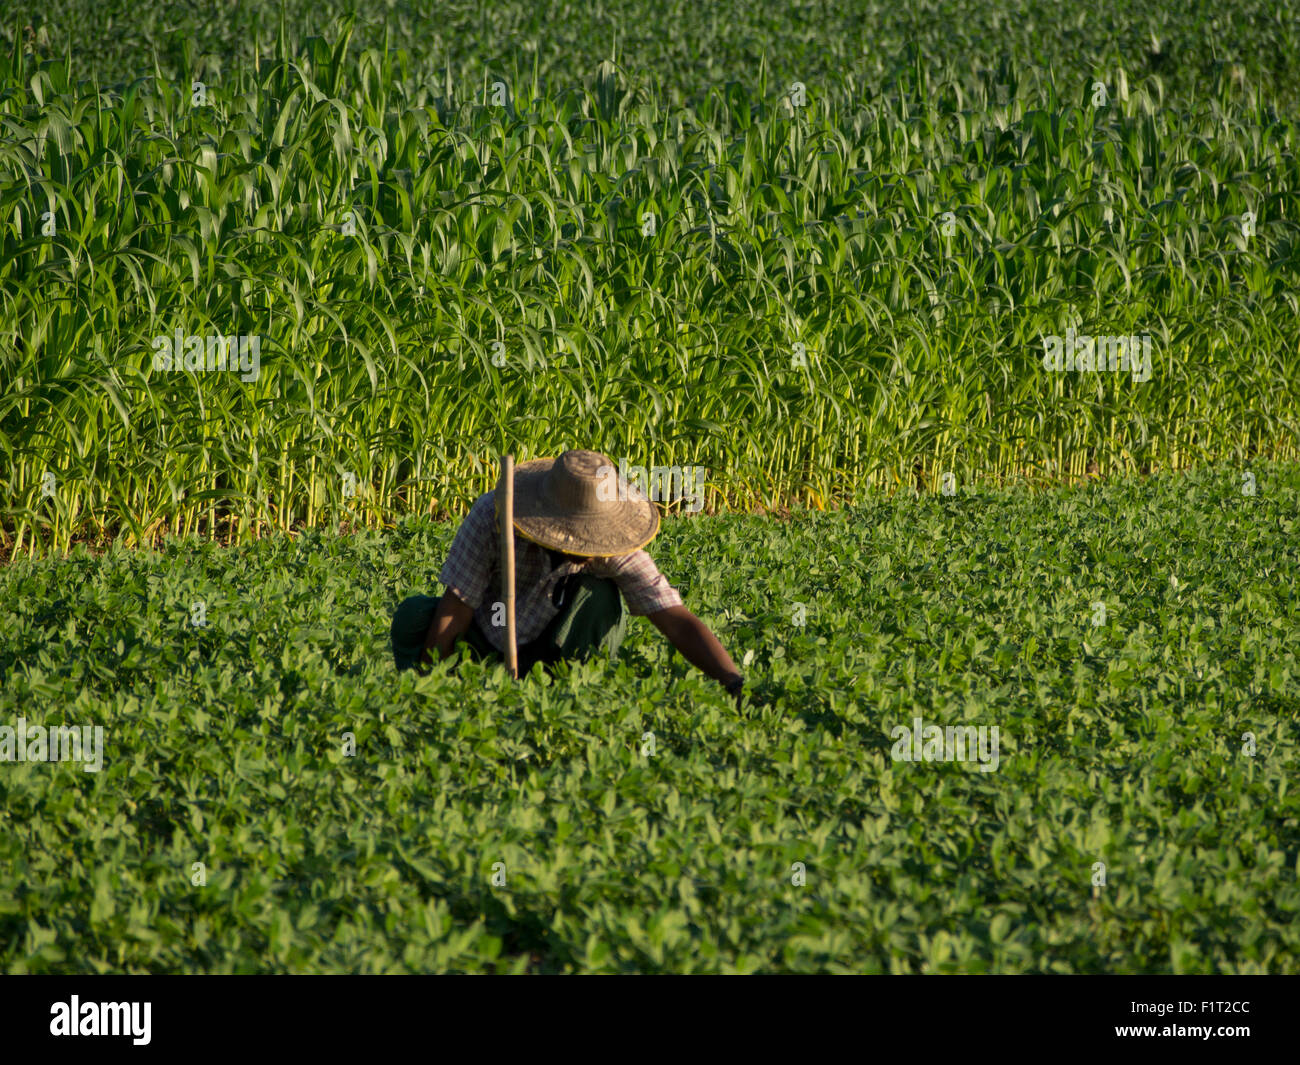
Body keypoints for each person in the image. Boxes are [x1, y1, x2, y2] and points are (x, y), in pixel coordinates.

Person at [391, 449, 745, 700]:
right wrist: (428, 689)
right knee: (415, 616)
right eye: (581, 542)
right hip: (487, 639)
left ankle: (572, 692)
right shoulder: (494, 517)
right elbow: (457, 606)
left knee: (600, 598)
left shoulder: (611, 546)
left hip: (556, 648)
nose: (590, 551)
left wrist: (732, 682)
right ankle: (462, 687)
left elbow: (674, 618)